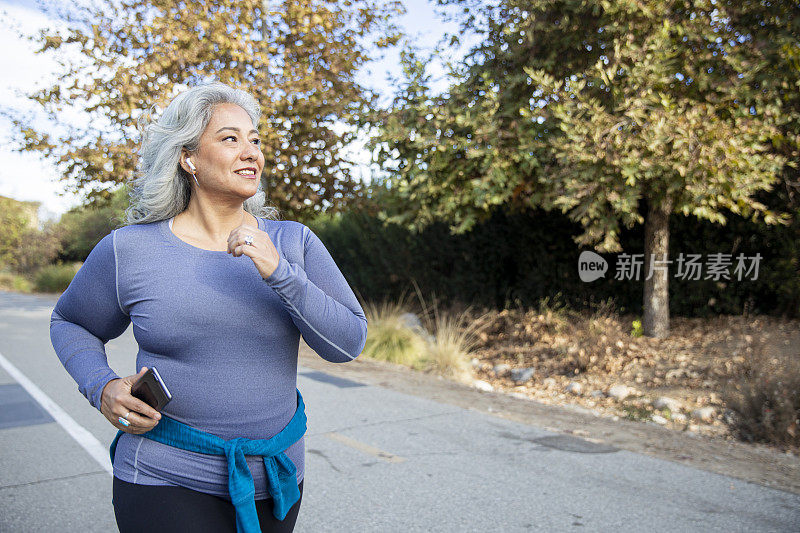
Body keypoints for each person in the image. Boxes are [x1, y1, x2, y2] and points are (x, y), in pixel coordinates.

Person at [49, 82, 368, 532]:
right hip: (163, 478)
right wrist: (100, 385)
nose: (251, 151)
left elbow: (348, 344)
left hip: (276, 482)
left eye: (255, 139)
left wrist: (281, 274)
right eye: (230, 138)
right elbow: (71, 322)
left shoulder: (293, 243)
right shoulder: (130, 249)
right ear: (188, 158)